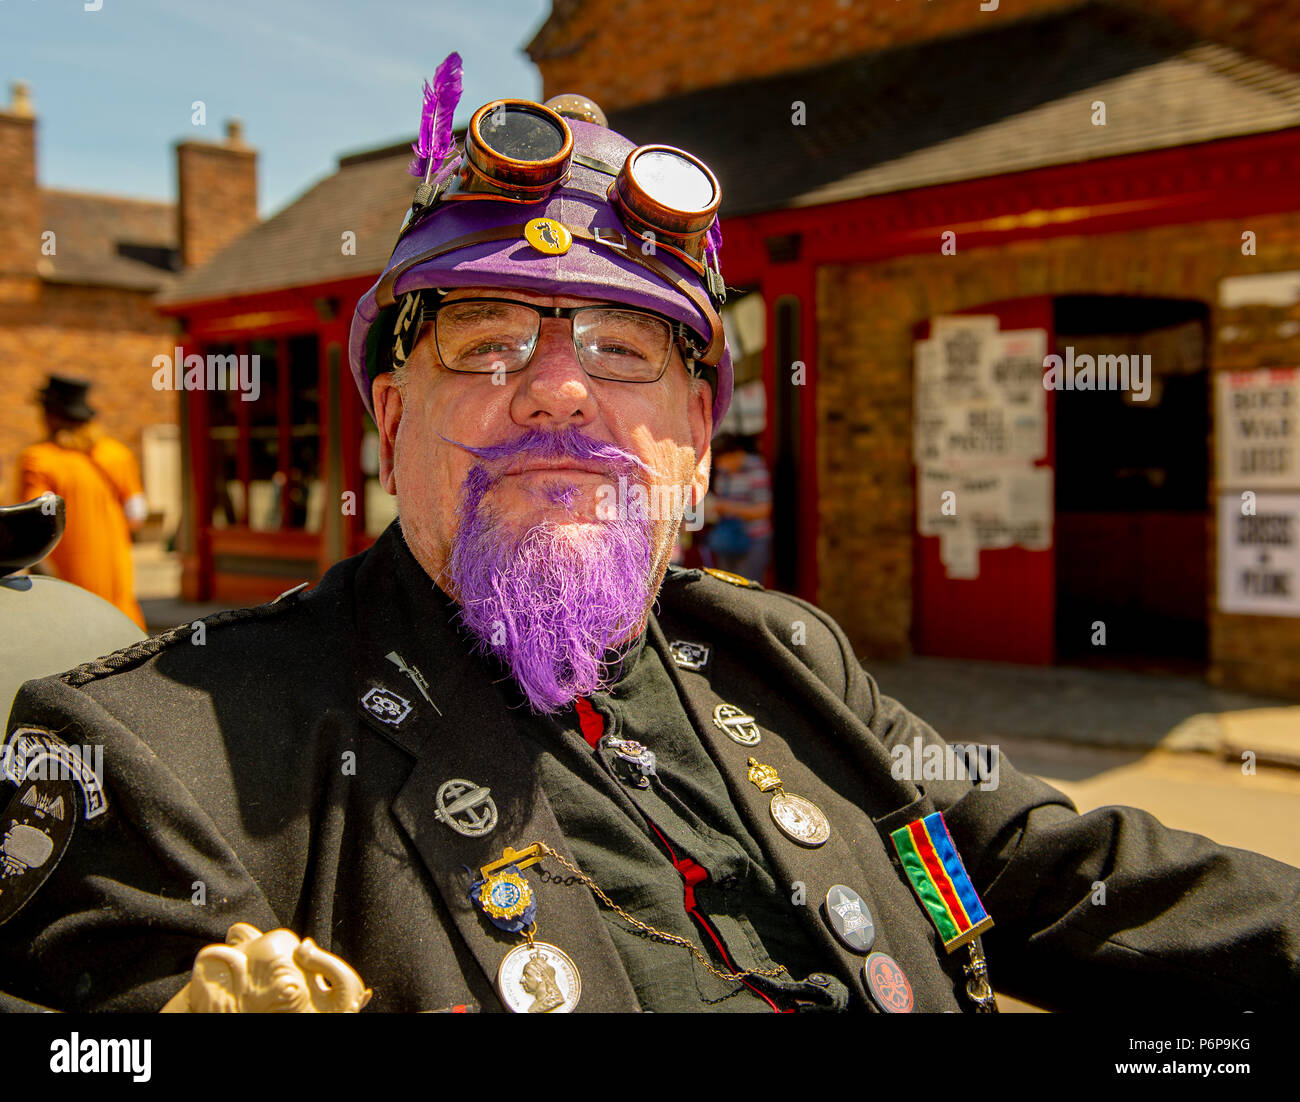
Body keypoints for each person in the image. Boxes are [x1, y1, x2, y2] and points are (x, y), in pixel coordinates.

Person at [1, 74, 1297, 1015]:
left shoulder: (785, 661)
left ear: (692, 434)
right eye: (489, 342)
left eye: (624, 351)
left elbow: (1057, 875)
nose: (561, 390)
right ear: (391, 422)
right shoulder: (161, 751)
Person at [14, 375, 148, 630]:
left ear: (51, 416)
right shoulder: (117, 454)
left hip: (68, 577)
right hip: (117, 578)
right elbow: (136, 514)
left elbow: (31, 522)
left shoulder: (38, 460)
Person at [705, 433, 772, 582]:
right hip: (727, 540)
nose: (721, 465)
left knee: (748, 588)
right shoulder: (724, 473)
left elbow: (764, 510)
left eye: (724, 460)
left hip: (752, 540)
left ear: (735, 454)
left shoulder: (755, 469)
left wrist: (729, 507)